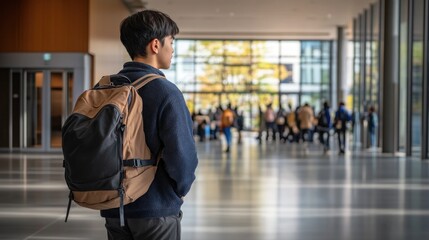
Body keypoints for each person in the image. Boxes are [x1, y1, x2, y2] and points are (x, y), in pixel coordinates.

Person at [100, 10, 198, 240]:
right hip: (155, 210)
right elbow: (183, 157)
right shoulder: (166, 92)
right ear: (156, 45)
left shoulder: (108, 88)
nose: (172, 49)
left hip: (115, 207)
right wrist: (177, 193)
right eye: (171, 42)